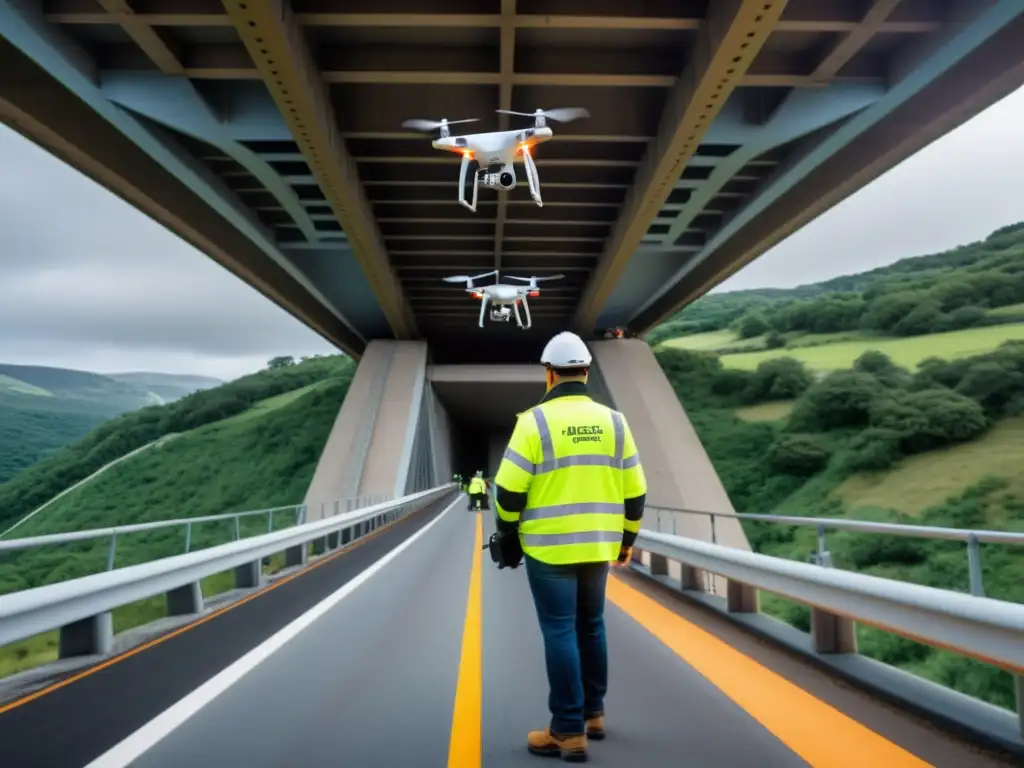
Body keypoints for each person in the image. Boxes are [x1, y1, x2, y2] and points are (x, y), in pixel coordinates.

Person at [493, 331, 647, 762]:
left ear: (548, 374)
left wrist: (508, 535)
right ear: (586, 370)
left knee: (560, 630)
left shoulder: (534, 422)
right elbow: (635, 493)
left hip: (548, 550)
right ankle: (594, 714)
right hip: (598, 545)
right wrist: (626, 541)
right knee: (592, 626)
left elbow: (507, 492)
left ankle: (566, 730)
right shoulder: (615, 422)